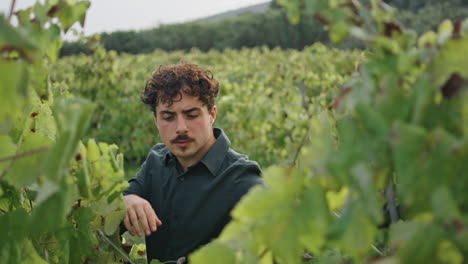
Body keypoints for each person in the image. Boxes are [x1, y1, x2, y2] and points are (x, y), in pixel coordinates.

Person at [122, 62, 263, 263]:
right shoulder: (156, 162)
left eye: (191, 115)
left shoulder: (243, 181)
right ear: (156, 121)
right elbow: (120, 201)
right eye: (168, 117)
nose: (181, 128)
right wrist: (128, 199)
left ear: (212, 115)